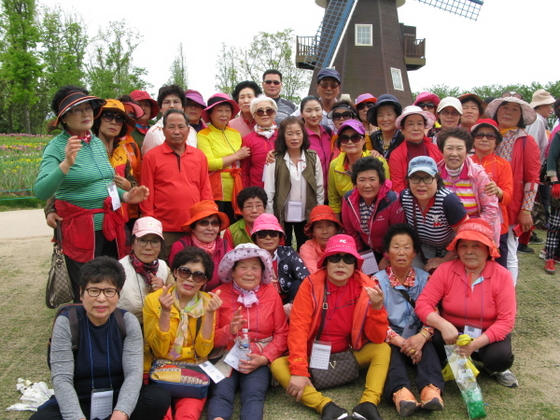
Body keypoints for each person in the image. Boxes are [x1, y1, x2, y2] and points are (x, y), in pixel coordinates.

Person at [34, 85, 149, 300]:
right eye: (78, 109)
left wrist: (126, 197)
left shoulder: (95, 142)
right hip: (79, 231)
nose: (86, 113)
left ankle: (109, 329)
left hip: (108, 227)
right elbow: (41, 191)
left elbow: (104, 182)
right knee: (88, 289)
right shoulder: (57, 147)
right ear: (64, 118)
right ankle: (85, 330)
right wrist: (66, 164)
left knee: (110, 283)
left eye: (88, 108)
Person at [30, 256, 171, 420]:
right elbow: (62, 378)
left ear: (118, 295)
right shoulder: (67, 322)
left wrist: (121, 413)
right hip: (80, 398)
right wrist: (76, 417)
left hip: (118, 397)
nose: (101, 299)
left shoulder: (127, 321)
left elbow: (133, 373)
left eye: (109, 291)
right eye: (94, 290)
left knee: (158, 398)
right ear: (81, 293)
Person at [270, 234, 390, 420]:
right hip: (312, 356)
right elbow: (298, 329)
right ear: (325, 262)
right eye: (335, 258)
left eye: (348, 259)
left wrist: (376, 308)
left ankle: (368, 403)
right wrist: (299, 371)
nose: (341, 264)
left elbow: (377, 338)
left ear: (355, 265)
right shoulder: (310, 285)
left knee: (382, 349)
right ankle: (325, 406)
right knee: (278, 365)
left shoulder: (366, 287)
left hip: (347, 353)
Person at [416, 219, 518, 388]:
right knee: (433, 341)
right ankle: (449, 361)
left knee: (500, 358)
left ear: (488, 249)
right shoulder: (445, 270)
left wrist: (475, 344)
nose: (469, 251)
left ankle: (492, 367)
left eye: (476, 245)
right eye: (463, 246)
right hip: (451, 334)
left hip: (486, 335)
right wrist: (443, 325)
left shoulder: (503, 276)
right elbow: (423, 304)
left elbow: (506, 322)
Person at [207, 243, 288, 420]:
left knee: (254, 394)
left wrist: (265, 358)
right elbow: (208, 339)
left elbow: (282, 333)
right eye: (243, 267)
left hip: (258, 356)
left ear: (262, 271)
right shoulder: (217, 295)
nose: (249, 273)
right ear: (232, 272)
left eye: (255, 267)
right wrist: (229, 330)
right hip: (226, 355)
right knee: (221, 392)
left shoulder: (271, 293)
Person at [144, 247, 223, 420]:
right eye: (184, 271)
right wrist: (165, 312)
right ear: (175, 272)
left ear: (204, 281)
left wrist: (209, 315)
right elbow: (158, 351)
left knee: (188, 415)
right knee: (160, 413)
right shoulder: (154, 300)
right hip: (161, 367)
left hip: (192, 367)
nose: (190, 279)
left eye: (198, 275)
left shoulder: (208, 303)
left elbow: (202, 352)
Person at [373, 224, 444, 417]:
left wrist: (421, 337)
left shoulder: (426, 279)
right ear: (387, 252)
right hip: (391, 337)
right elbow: (376, 320)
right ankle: (400, 393)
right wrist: (402, 342)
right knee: (390, 354)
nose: (401, 252)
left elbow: (433, 313)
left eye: (407, 247)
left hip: (419, 334)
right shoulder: (377, 281)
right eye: (396, 247)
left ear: (415, 253)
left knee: (428, 348)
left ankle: (431, 390)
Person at [140, 109, 213, 260]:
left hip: (194, 228)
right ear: (163, 130)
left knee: (192, 269)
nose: (177, 131)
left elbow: (205, 191)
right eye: (171, 127)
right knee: (165, 271)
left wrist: (206, 222)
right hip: (165, 229)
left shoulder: (199, 156)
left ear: (188, 129)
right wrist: (152, 227)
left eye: (181, 126)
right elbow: (146, 195)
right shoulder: (151, 157)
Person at [486, 95, 539, 283]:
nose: (508, 111)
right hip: (486, 206)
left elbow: (532, 179)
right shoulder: (487, 134)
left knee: (508, 251)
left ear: (521, 116)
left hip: (511, 206)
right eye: (505, 107)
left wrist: (526, 210)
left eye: (515, 109)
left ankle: (507, 295)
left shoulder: (526, 141)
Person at [263, 116, 324, 249]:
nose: (294, 138)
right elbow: (269, 191)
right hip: (282, 214)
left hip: (307, 213)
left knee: (306, 247)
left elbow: (319, 188)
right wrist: (271, 217)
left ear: (304, 135)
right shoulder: (275, 159)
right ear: (283, 137)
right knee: (284, 247)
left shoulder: (312, 157)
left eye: (298, 133)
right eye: (289, 134)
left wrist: (317, 214)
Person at [400, 156, 467, 272]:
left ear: (436, 179)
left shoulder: (448, 201)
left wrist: (444, 260)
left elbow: (465, 235)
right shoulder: (404, 197)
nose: (421, 184)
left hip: (451, 250)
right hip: (423, 248)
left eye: (427, 178)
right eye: (415, 178)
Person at [436, 127, 500, 244]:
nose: (454, 153)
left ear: (467, 151)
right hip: (443, 236)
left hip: (476, 235)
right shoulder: (435, 174)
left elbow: (491, 209)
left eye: (459, 148)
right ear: (442, 150)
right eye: (449, 148)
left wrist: (469, 231)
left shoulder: (478, 175)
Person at [342, 156, 404, 270]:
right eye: (362, 180)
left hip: (391, 251)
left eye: (372, 179)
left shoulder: (391, 200)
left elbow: (398, 234)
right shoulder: (348, 200)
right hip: (366, 250)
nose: (367, 185)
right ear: (355, 182)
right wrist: (361, 254)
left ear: (381, 181)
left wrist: (386, 257)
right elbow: (350, 231)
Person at [198, 93, 250, 223]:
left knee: (234, 225)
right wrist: (236, 156)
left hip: (237, 187)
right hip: (216, 188)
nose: (224, 114)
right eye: (219, 110)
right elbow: (208, 163)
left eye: (227, 110)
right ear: (210, 113)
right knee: (217, 223)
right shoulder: (203, 135)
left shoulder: (235, 133)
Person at [470, 119, 514, 268]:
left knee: (497, 267)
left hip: (498, 226)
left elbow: (508, 197)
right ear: (473, 139)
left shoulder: (503, 164)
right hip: (470, 223)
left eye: (490, 136)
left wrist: (499, 192)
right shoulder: (465, 162)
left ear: (497, 142)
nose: (484, 139)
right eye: (480, 135)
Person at [328, 120, 390, 217]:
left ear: (364, 140)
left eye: (355, 138)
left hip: (377, 215)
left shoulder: (379, 162)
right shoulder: (334, 165)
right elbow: (334, 200)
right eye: (345, 138)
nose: (349, 142)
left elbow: (387, 194)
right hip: (348, 216)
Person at [250, 213, 309, 313]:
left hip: (288, 302)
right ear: (255, 239)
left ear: (279, 237)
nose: (268, 238)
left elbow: (305, 276)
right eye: (262, 234)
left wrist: (292, 303)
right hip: (260, 301)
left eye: (273, 233)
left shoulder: (288, 252)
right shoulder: (250, 256)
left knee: (300, 284)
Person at [168, 200, 232, 291]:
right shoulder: (181, 246)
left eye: (214, 223)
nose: (210, 228)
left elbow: (230, 280)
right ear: (193, 228)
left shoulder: (225, 246)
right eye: (204, 223)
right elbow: (177, 280)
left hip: (216, 298)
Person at [118, 217, 171, 324]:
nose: (148, 247)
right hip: (124, 326)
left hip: (157, 327)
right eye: (142, 240)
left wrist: (162, 290)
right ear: (132, 244)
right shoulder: (118, 269)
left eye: (154, 241)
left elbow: (177, 300)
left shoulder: (164, 267)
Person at [388, 105, 442, 192]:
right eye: (410, 124)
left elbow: (442, 177)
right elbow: (398, 187)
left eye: (420, 123)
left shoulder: (435, 149)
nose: (416, 128)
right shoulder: (396, 155)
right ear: (402, 129)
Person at [142, 84, 197, 155]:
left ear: (183, 107)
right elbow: (148, 162)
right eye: (167, 102)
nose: (172, 106)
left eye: (176, 102)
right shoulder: (153, 133)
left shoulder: (192, 131)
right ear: (160, 108)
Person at [241, 96, 278, 189]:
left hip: (281, 190)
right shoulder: (247, 140)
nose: (265, 114)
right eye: (260, 111)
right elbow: (245, 172)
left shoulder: (284, 136)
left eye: (269, 110)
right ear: (254, 115)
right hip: (257, 192)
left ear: (274, 114)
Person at [299, 205, 343, 274]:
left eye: (329, 225)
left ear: (336, 229)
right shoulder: (307, 248)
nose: (325, 231)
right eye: (319, 227)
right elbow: (315, 274)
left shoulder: (344, 245)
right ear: (313, 231)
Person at [299, 96, 332, 189]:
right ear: (302, 113)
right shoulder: (299, 136)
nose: (314, 115)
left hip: (330, 192)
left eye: (317, 110)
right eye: (308, 111)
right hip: (309, 191)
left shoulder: (328, 133)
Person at [367, 94, 404, 160]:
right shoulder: (372, 138)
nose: (385, 119)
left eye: (389, 114)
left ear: (397, 116)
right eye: (380, 115)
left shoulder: (404, 138)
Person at [544, 128, 560, 274]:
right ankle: (549, 257)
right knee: (555, 225)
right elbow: (552, 159)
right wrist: (555, 181)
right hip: (559, 185)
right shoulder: (559, 135)